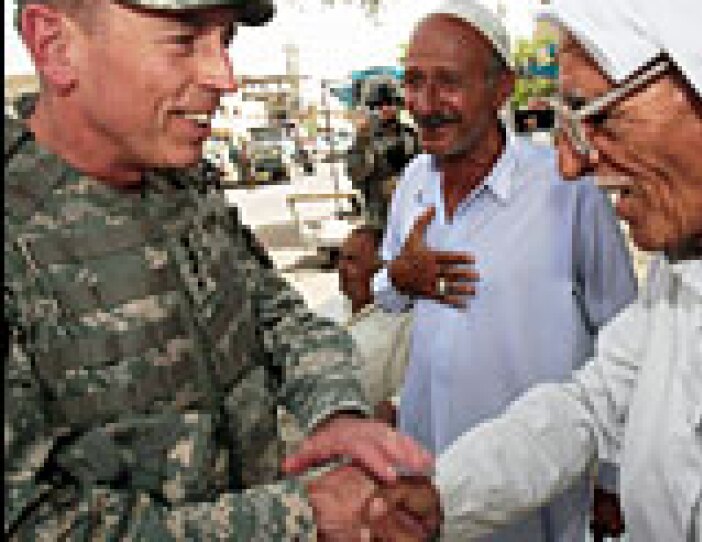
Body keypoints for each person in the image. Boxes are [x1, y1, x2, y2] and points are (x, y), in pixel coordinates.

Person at [287, 0, 702, 539]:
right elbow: (592, 405)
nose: (571, 163)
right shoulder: (688, 271)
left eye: (600, 118)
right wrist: (441, 495)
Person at [5, 0, 439, 539]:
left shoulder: (185, 187)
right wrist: (302, 518)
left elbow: (277, 316)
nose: (225, 77)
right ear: (54, 44)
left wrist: (337, 416)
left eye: (225, 40)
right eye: (184, 39)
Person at [349, 1, 638, 540]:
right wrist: (400, 280)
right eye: (413, 82)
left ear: (502, 87)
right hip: (424, 472)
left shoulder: (564, 188)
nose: (425, 104)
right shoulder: (413, 181)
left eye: (448, 83)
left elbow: (621, 331)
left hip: (531, 486)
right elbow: (387, 294)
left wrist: (615, 474)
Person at [338, 226, 414, 425]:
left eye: (352, 260)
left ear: (380, 269)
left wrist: (394, 407)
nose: (341, 268)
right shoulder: (328, 310)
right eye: (341, 258)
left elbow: (413, 389)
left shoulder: (404, 322)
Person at [346, 79, 420, 233]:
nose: (386, 108)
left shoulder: (411, 135)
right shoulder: (365, 138)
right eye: (380, 105)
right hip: (379, 215)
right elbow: (355, 173)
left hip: (410, 211)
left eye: (390, 103)